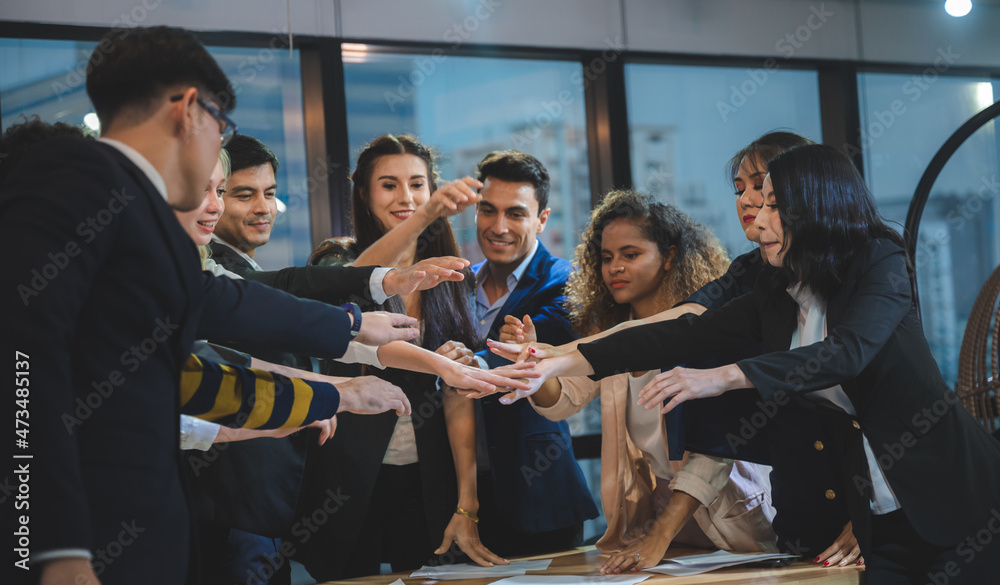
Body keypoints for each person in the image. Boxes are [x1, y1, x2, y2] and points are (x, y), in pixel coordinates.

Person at [0, 24, 439, 585]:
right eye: (221, 128)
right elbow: (25, 367)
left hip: (146, 533)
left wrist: (335, 371)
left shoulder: (141, 216)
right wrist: (51, 550)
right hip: (78, 542)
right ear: (189, 110)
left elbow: (197, 369)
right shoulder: (72, 175)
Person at [496, 144, 1000, 584]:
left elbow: (848, 352)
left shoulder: (878, 258)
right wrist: (557, 362)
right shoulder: (774, 290)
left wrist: (725, 376)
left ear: (817, 206)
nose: (756, 221)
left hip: (959, 501)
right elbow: (684, 331)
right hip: (877, 516)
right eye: (754, 202)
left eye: (775, 206)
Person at [513, 190, 777, 563]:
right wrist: (534, 367)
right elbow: (562, 402)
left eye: (630, 255)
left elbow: (717, 450)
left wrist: (662, 531)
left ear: (669, 257)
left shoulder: (708, 330)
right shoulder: (616, 336)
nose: (614, 268)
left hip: (725, 513)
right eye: (606, 258)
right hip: (661, 517)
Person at [304, 134, 505, 578]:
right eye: (389, 185)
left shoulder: (453, 272)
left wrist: (467, 505)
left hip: (427, 477)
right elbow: (356, 284)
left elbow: (459, 395)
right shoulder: (335, 260)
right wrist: (427, 215)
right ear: (364, 193)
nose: (406, 197)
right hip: (348, 479)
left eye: (417, 184)